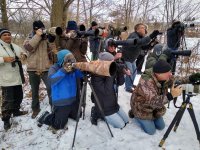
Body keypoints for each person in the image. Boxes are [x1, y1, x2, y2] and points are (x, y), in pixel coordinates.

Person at [129, 60, 198, 135]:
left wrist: (191, 78)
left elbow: (176, 80)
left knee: (161, 126)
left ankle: (150, 117)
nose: (170, 74)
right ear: (158, 74)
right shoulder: (146, 82)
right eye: (168, 73)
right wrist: (171, 95)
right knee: (151, 131)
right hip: (142, 108)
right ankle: (134, 114)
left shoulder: (164, 77)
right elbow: (153, 102)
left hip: (154, 107)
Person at [37, 49, 83, 131]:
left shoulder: (72, 67)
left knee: (78, 117)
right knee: (59, 125)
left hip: (72, 101)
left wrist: (82, 69)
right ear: (62, 59)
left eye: (71, 58)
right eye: (68, 59)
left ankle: (64, 114)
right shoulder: (54, 68)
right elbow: (51, 81)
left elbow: (80, 75)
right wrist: (64, 70)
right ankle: (45, 116)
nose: (70, 61)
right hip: (61, 102)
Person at [23, 20, 53, 118]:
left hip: (46, 68)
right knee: (35, 90)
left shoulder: (46, 38)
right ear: (34, 29)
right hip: (33, 68)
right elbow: (29, 48)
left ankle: (53, 106)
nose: (41, 30)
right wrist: (37, 36)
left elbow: (53, 50)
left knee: (50, 87)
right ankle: (35, 109)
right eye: (39, 29)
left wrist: (51, 39)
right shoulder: (29, 37)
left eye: (42, 29)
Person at [90, 52, 129, 128]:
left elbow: (120, 83)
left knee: (126, 121)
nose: (113, 64)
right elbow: (107, 90)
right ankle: (97, 112)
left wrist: (121, 71)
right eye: (111, 63)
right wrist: (112, 72)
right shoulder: (96, 75)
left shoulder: (109, 70)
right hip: (104, 107)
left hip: (113, 103)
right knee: (121, 125)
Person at [0, 28, 28, 130]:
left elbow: (23, 53)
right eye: (4, 35)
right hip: (6, 79)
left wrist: (24, 55)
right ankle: (6, 119)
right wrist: (4, 59)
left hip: (17, 77)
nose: (7, 36)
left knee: (18, 96)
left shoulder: (15, 46)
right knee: (8, 100)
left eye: (8, 34)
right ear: (0, 37)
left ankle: (16, 111)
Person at [122, 23, 160, 93]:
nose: (144, 29)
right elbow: (140, 42)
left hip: (132, 58)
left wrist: (152, 43)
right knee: (130, 72)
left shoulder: (140, 36)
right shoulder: (134, 35)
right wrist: (151, 36)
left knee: (134, 71)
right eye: (142, 28)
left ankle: (130, 84)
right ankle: (128, 87)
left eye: (145, 28)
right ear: (137, 29)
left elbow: (143, 46)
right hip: (127, 57)